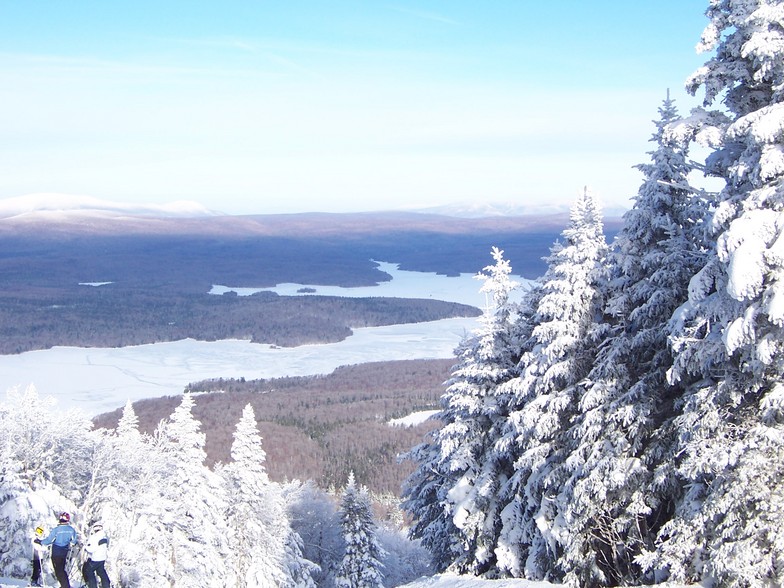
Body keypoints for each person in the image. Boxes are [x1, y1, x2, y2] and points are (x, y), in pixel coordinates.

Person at [40, 512, 78, 588]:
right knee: (61, 569)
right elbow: (73, 541)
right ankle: (65, 585)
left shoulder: (56, 530)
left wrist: (40, 541)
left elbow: (49, 540)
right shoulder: (71, 530)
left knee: (58, 571)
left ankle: (65, 586)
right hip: (64, 552)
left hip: (56, 552)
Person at [83, 522, 110, 588]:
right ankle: (106, 585)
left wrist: (86, 547)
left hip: (96, 558)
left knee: (89, 570)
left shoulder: (95, 537)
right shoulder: (105, 536)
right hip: (103, 557)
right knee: (101, 571)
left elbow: (92, 549)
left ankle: (92, 586)